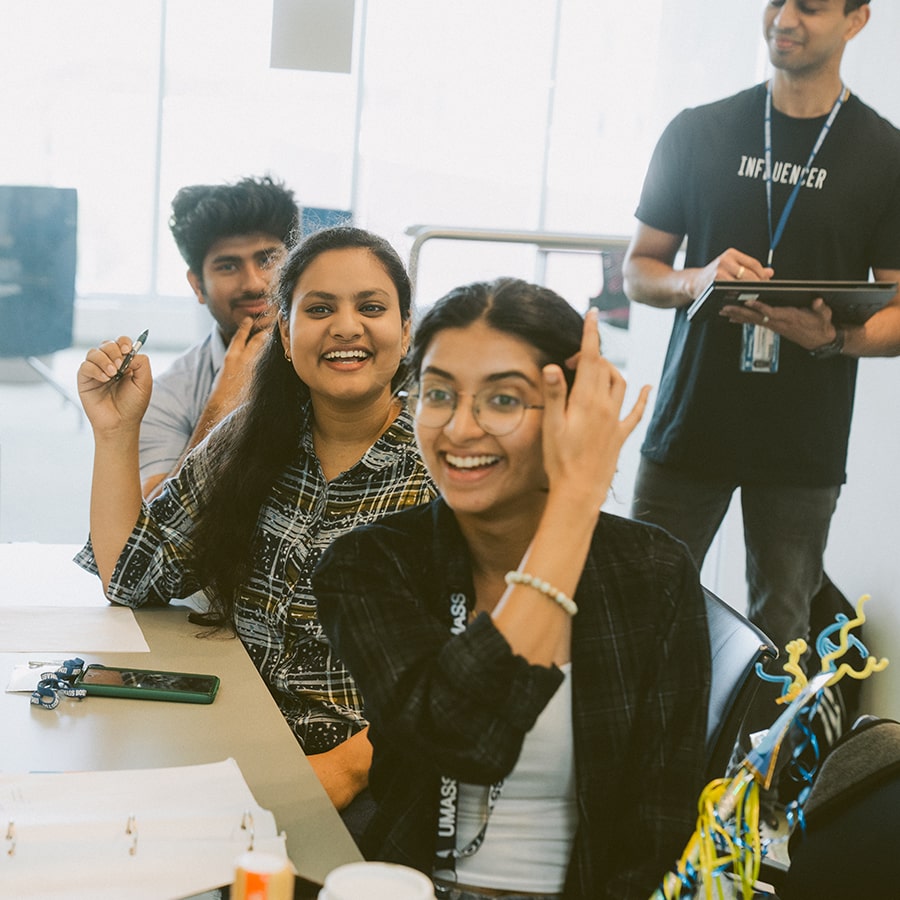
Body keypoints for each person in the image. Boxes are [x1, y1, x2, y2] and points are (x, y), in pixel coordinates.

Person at [313, 279, 711, 900]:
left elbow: (659, 827)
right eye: (438, 393)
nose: (460, 428)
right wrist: (576, 502)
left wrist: (576, 501)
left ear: (572, 412)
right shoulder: (372, 563)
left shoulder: (653, 573)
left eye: (503, 400)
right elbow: (464, 736)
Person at [74, 226, 436, 827]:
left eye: (371, 307)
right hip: (237, 741)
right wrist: (115, 432)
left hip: (376, 775)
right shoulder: (250, 439)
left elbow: (475, 665)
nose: (346, 326)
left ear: (405, 332)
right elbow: (131, 578)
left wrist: (346, 768)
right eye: (319, 309)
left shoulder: (443, 464)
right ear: (287, 337)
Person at [622, 1, 900, 680]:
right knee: (636, 609)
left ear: (856, 20)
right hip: (691, 424)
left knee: (782, 636)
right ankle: (631, 779)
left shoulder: (886, 155)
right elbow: (640, 270)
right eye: (775, 1)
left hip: (802, 440)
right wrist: (697, 281)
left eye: (809, 5)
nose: (784, 17)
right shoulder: (698, 130)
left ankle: (759, 787)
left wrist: (833, 339)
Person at [140, 174, 300, 499]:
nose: (254, 283)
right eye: (228, 266)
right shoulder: (169, 395)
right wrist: (221, 405)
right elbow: (153, 528)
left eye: (268, 260)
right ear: (198, 285)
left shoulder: (343, 358)